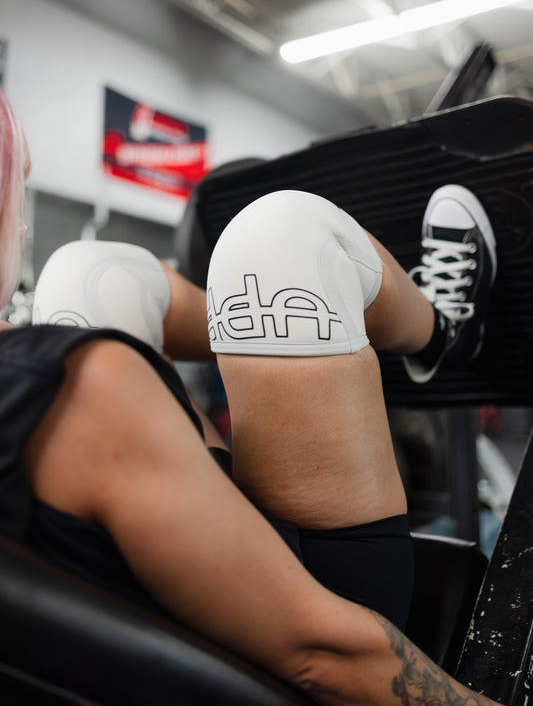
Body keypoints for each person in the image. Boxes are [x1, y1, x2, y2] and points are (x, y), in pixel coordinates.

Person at [0, 85, 500, 706]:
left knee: (88, 274)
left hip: (149, 601)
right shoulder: (78, 389)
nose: (22, 223)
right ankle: (437, 334)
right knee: (283, 233)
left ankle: (301, 329)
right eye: (15, 190)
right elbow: (325, 657)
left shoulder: (45, 379)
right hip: (276, 647)